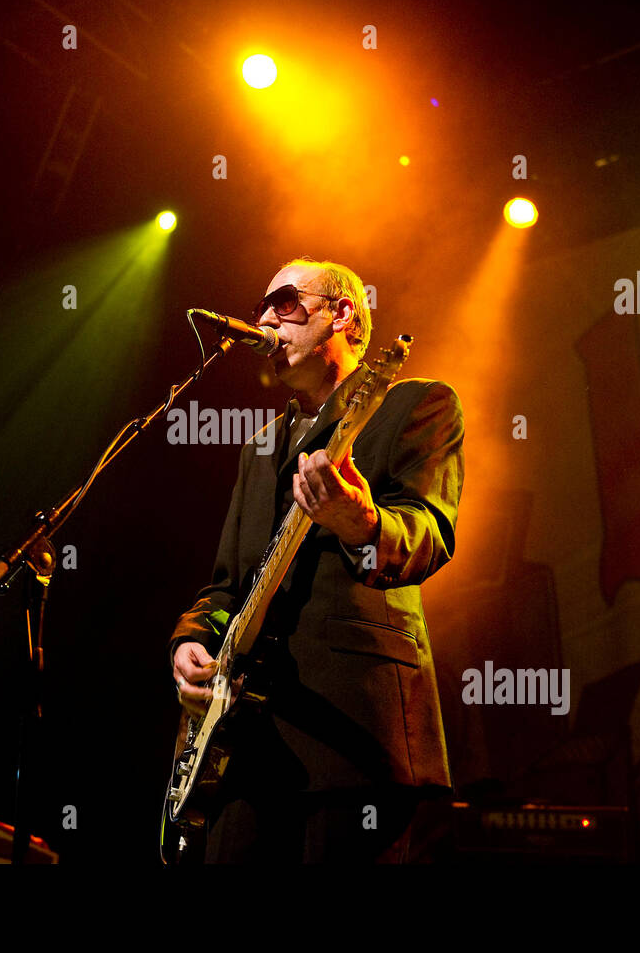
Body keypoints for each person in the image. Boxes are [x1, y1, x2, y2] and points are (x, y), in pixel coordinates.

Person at [169, 258, 464, 862]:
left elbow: (428, 532)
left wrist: (364, 522)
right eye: (261, 307)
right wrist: (190, 641)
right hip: (248, 749)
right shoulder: (259, 448)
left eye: (285, 302)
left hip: (353, 732)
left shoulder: (414, 403)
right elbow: (227, 584)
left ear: (344, 315)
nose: (265, 320)